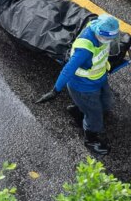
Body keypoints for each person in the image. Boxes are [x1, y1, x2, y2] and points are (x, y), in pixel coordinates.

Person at [35, 14, 121, 155]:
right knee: (95, 117)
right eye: (107, 38)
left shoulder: (99, 27)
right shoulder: (84, 49)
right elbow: (68, 70)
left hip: (99, 78)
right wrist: (55, 91)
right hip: (84, 88)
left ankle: (78, 110)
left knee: (107, 103)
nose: (109, 41)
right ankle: (91, 140)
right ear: (98, 32)